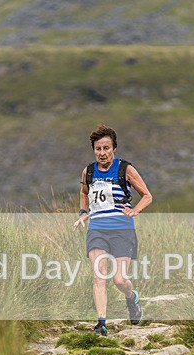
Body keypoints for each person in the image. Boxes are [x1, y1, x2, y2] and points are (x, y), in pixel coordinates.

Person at [72, 124, 153, 336]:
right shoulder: (88, 171)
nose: (102, 153)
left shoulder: (125, 169)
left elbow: (147, 195)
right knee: (99, 276)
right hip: (97, 229)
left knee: (118, 279)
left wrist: (135, 210)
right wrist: (83, 212)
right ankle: (101, 324)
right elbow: (84, 192)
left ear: (114, 148)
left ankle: (131, 297)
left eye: (106, 148)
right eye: (98, 149)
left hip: (121, 230)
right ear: (94, 150)